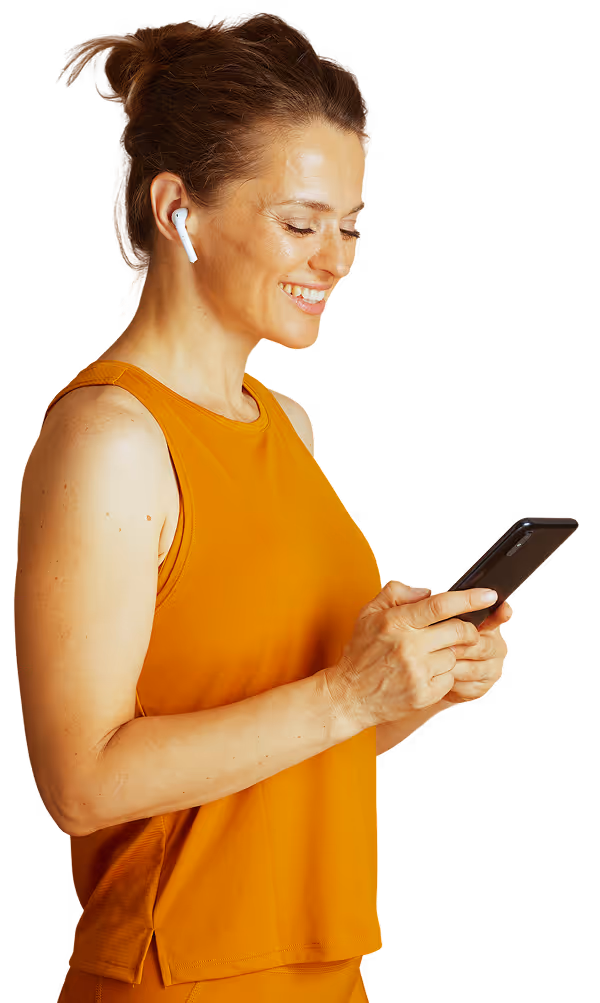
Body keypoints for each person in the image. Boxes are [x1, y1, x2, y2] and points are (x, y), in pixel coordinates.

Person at [18, 14, 377, 1002]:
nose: (336, 260)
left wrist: (403, 689)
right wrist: (351, 694)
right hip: (178, 980)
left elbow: (290, 745)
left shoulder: (287, 425)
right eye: (302, 223)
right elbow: (81, 782)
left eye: (350, 225)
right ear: (178, 210)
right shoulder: (110, 439)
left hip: (323, 968)